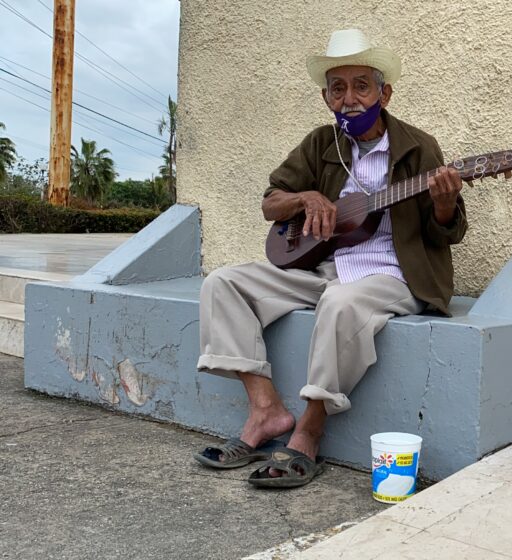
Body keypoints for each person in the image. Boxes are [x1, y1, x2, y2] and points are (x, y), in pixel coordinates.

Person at [192, 29, 467, 488]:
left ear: (384, 94)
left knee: (340, 304)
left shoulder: (419, 147)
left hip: (393, 274)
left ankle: (309, 431)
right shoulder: (321, 143)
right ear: (326, 98)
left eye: (361, 86)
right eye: (337, 88)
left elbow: (449, 231)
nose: (349, 99)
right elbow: (271, 203)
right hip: (325, 268)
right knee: (222, 283)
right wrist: (304, 198)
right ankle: (265, 410)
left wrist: (444, 202)